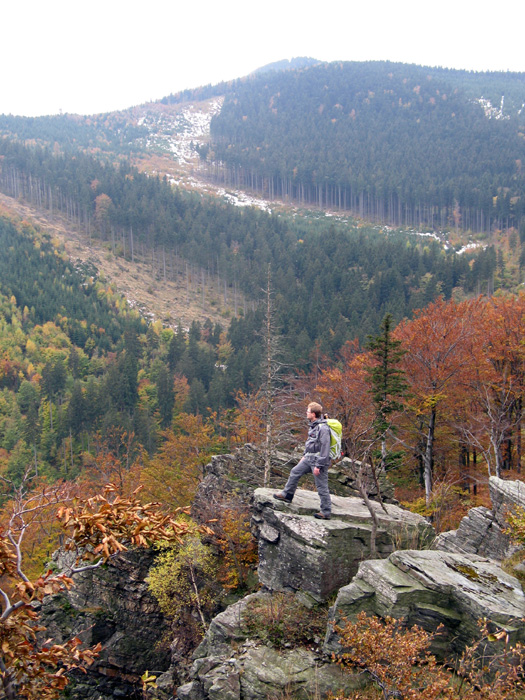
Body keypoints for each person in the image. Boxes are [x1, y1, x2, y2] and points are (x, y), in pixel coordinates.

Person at [274, 401, 332, 519]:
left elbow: (325, 448)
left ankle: (326, 512)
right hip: (309, 458)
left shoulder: (323, 428)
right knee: (295, 471)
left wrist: (319, 466)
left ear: (314, 414)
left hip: (318, 461)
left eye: (308, 411)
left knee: (321, 486)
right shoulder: (313, 426)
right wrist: (304, 456)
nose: (306, 413)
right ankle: (287, 495)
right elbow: (311, 444)